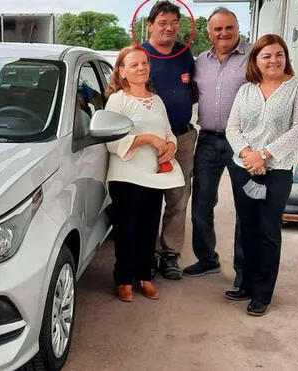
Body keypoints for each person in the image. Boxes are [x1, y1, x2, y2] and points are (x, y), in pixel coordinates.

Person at [224, 34, 298, 316]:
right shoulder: (246, 90)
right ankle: (244, 283)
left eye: (278, 54)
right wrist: (249, 155)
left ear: (286, 57)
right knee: (246, 226)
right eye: (266, 56)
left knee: (268, 231)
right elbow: (232, 128)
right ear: (256, 61)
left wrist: (264, 155)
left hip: (278, 171)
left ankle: (262, 293)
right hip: (244, 168)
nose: (273, 60)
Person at [104, 45, 185, 302]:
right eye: (134, 65)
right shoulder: (118, 100)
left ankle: (145, 277)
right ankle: (124, 279)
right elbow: (110, 141)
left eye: (144, 64)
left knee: (149, 228)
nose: (141, 68)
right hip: (126, 175)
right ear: (122, 71)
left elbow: (168, 132)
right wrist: (146, 138)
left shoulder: (157, 99)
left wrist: (171, 145)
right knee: (127, 230)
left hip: (154, 175)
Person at [184, 7, 252, 291]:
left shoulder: (254, 57)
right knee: (201, 202)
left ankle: (243, 270)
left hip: (245, 142)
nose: (223, 33)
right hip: (209, 140)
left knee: (245, 206)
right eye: (217, 29)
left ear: (238, 28)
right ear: (209, 32)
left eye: (229, 28)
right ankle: (207, 258)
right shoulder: (200, 62)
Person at [141, 0, 196, 280]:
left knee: (178, 198)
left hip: (183, 137)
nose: (169, 28)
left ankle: (170, 255)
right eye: (163, 22)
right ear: (150, 25)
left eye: (174, 23)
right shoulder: (139, 55)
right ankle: (146, 254)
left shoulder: (186, 55)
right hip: (150, 142)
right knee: (149, 199)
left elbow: (194, 91)